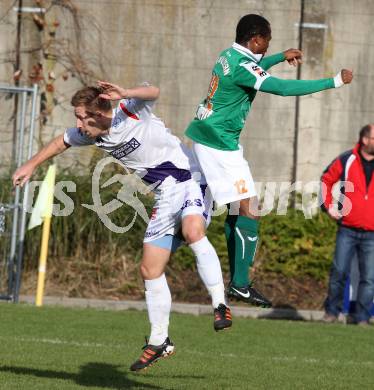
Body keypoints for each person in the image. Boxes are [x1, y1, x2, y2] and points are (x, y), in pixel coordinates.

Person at [12, 81, 232, 371]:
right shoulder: (92, 135)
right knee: (149, 269)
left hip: (191, 179)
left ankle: (220, 305)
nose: (78, 124)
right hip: (166, 194)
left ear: (100, 113)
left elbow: (154, 91)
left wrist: (125, 93)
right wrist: (30, 165)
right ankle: (159, 340)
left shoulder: (129, 111)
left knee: (193, 232)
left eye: (81, 117)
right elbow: (59, 142)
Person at [185, 13, 353, 307]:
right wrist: (334, 82)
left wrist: (277, 56)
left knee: (239, 209)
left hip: (209, 137)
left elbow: (252, 68)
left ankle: (238, 281)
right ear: (255, 39)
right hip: (219, 145)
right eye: (267, 41)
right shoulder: (242, 65)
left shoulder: (229, 55)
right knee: (251, 210)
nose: (267, 45)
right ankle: (239, 283)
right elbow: (284, 89)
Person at [321, 124, 374, 326]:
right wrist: (329, 207)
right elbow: (326, 180)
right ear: (365, 140)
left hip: (372, 232)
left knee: (369, 278)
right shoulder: (346, 159)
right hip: (347, 229)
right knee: (339, 272)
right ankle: (332, 313)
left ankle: (361, 317)